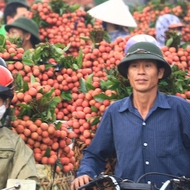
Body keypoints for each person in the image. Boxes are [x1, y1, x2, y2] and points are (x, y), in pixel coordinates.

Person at [71, 41, 190, 189]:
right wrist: (85, 172)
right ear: (128, 74)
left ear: (159, 73)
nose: (141, 72)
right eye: (134, 66)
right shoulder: (115, 112)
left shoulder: (180, 109)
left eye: (148, 65)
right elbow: (95, 154)